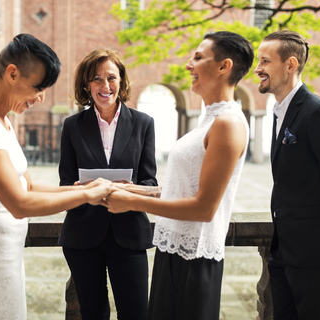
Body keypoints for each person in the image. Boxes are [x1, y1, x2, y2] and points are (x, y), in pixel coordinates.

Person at [0, 34, 112, 320]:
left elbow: (28, 185)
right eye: (38, 87)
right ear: (12, 73)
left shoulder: (3, 121)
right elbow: (20, 204)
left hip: (6, 255)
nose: (40, 98)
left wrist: (86, 186)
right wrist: (87, 196)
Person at [104, 31, 254, 320]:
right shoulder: (209, 119)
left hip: (195, 258)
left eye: (198, 57)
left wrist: (131, 203)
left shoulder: (228, 124)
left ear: (224, 67)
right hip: (172, 250)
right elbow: (183, 187)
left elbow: (203, 208)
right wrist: (135, 190)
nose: (189, 64)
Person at [58, 48, 157, 320]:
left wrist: (130, 188)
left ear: (121, 81)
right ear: (86, 85)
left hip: (129, 233)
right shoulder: (72, 126)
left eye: (111, 78)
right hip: (83, 235)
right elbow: (65, 181)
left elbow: (150, 181)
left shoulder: (143, 123)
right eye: (97, 79)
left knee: (136, 313)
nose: (105, 86)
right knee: (92, 313)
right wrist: (81, 190)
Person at [254, 30, 320, 319]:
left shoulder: (316, 112)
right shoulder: (278, 111)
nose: (258, 68)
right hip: (282, 252)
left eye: (265, 61)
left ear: (291, 64)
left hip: (313, 257)